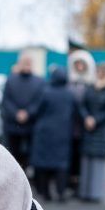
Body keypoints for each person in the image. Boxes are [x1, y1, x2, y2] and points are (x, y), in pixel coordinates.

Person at [29, 65, 76, 202]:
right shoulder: (69, 94)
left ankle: (45, 193)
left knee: (43, 164)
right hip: (63, 133)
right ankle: (61, 193)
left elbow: (37, 110)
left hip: (44, 133)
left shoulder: (45, 92)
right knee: (61, 164)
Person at [78, 62, 105, 202]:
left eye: (102, 72)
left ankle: (95, 193)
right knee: (86, 161)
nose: (99, 74)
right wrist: (87, 118)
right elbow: (82, 105)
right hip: (88, 129)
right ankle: (84, 192)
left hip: (102, 130)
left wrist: (95, 120)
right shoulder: (89, 88)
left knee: (98, 163)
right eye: (98, 71)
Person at [1, 51, 45, 170]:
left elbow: (39, 101)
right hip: (12, 126)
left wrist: (27, 113)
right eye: (24, 62)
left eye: (28, 62)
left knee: (29, 155)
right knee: (12, 154)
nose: (26, 65)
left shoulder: (39, 81)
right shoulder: (11, 79)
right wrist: (16, 113)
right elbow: (6, 100)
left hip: (31, 126)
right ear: (19, 63)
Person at [66, 50, 96, 195]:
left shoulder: (91, 85)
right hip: (69, 125)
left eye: (82, 64)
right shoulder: (68, 84)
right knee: (70, 155)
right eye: (76, 64)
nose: (79, 67)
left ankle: (80, 183)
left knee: (81, 156)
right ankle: (70, 182)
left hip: (85, 126)